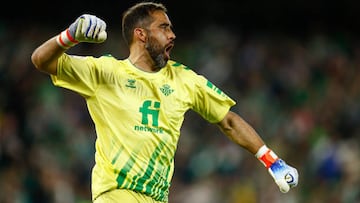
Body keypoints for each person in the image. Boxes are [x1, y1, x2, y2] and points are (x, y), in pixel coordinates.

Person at [31, 2, 298, 203]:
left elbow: (228, 120)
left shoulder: (184, 79)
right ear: (141, 35)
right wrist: (69, 36)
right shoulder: (105, 72)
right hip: (116, 194)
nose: (172, 35)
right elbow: (41, 61)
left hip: (157, 198)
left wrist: (273, 162)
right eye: (164, 27)